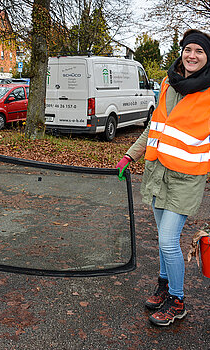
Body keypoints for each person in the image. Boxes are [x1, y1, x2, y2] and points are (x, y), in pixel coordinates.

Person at [116, 29, 210, 326]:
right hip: (158, 173)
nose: (192, 55)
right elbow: (153, 125)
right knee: (162, 240)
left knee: (169, 241)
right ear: (182, 51)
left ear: (208, 57)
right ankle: (164, 285)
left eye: (199, 51)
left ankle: (178, 300)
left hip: (186, 178)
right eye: (188, 49)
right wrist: (130, 154)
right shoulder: (169, 83)